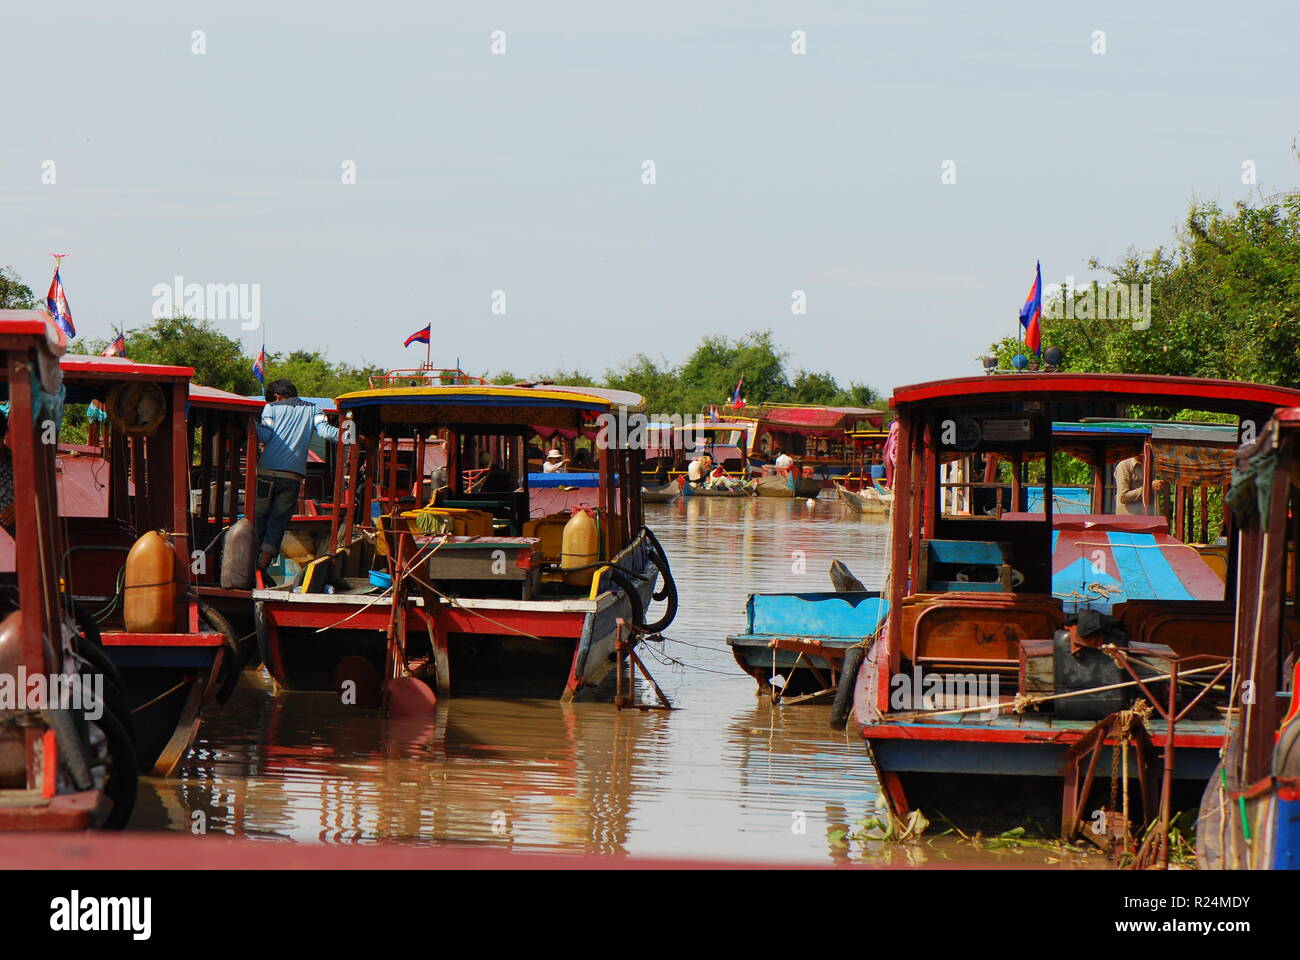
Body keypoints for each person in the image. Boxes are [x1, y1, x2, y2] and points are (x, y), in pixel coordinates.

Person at [254, 379, 339, 572]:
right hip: (293, 477)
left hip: (267, 473)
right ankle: (262, 568)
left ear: (277, 396)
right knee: (278, 522)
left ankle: (250, 566)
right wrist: (349, 434)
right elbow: (326, 432)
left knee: (258, 519)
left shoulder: (270, 408)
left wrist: (250, 426)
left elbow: (264, 436)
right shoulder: (313, 409)